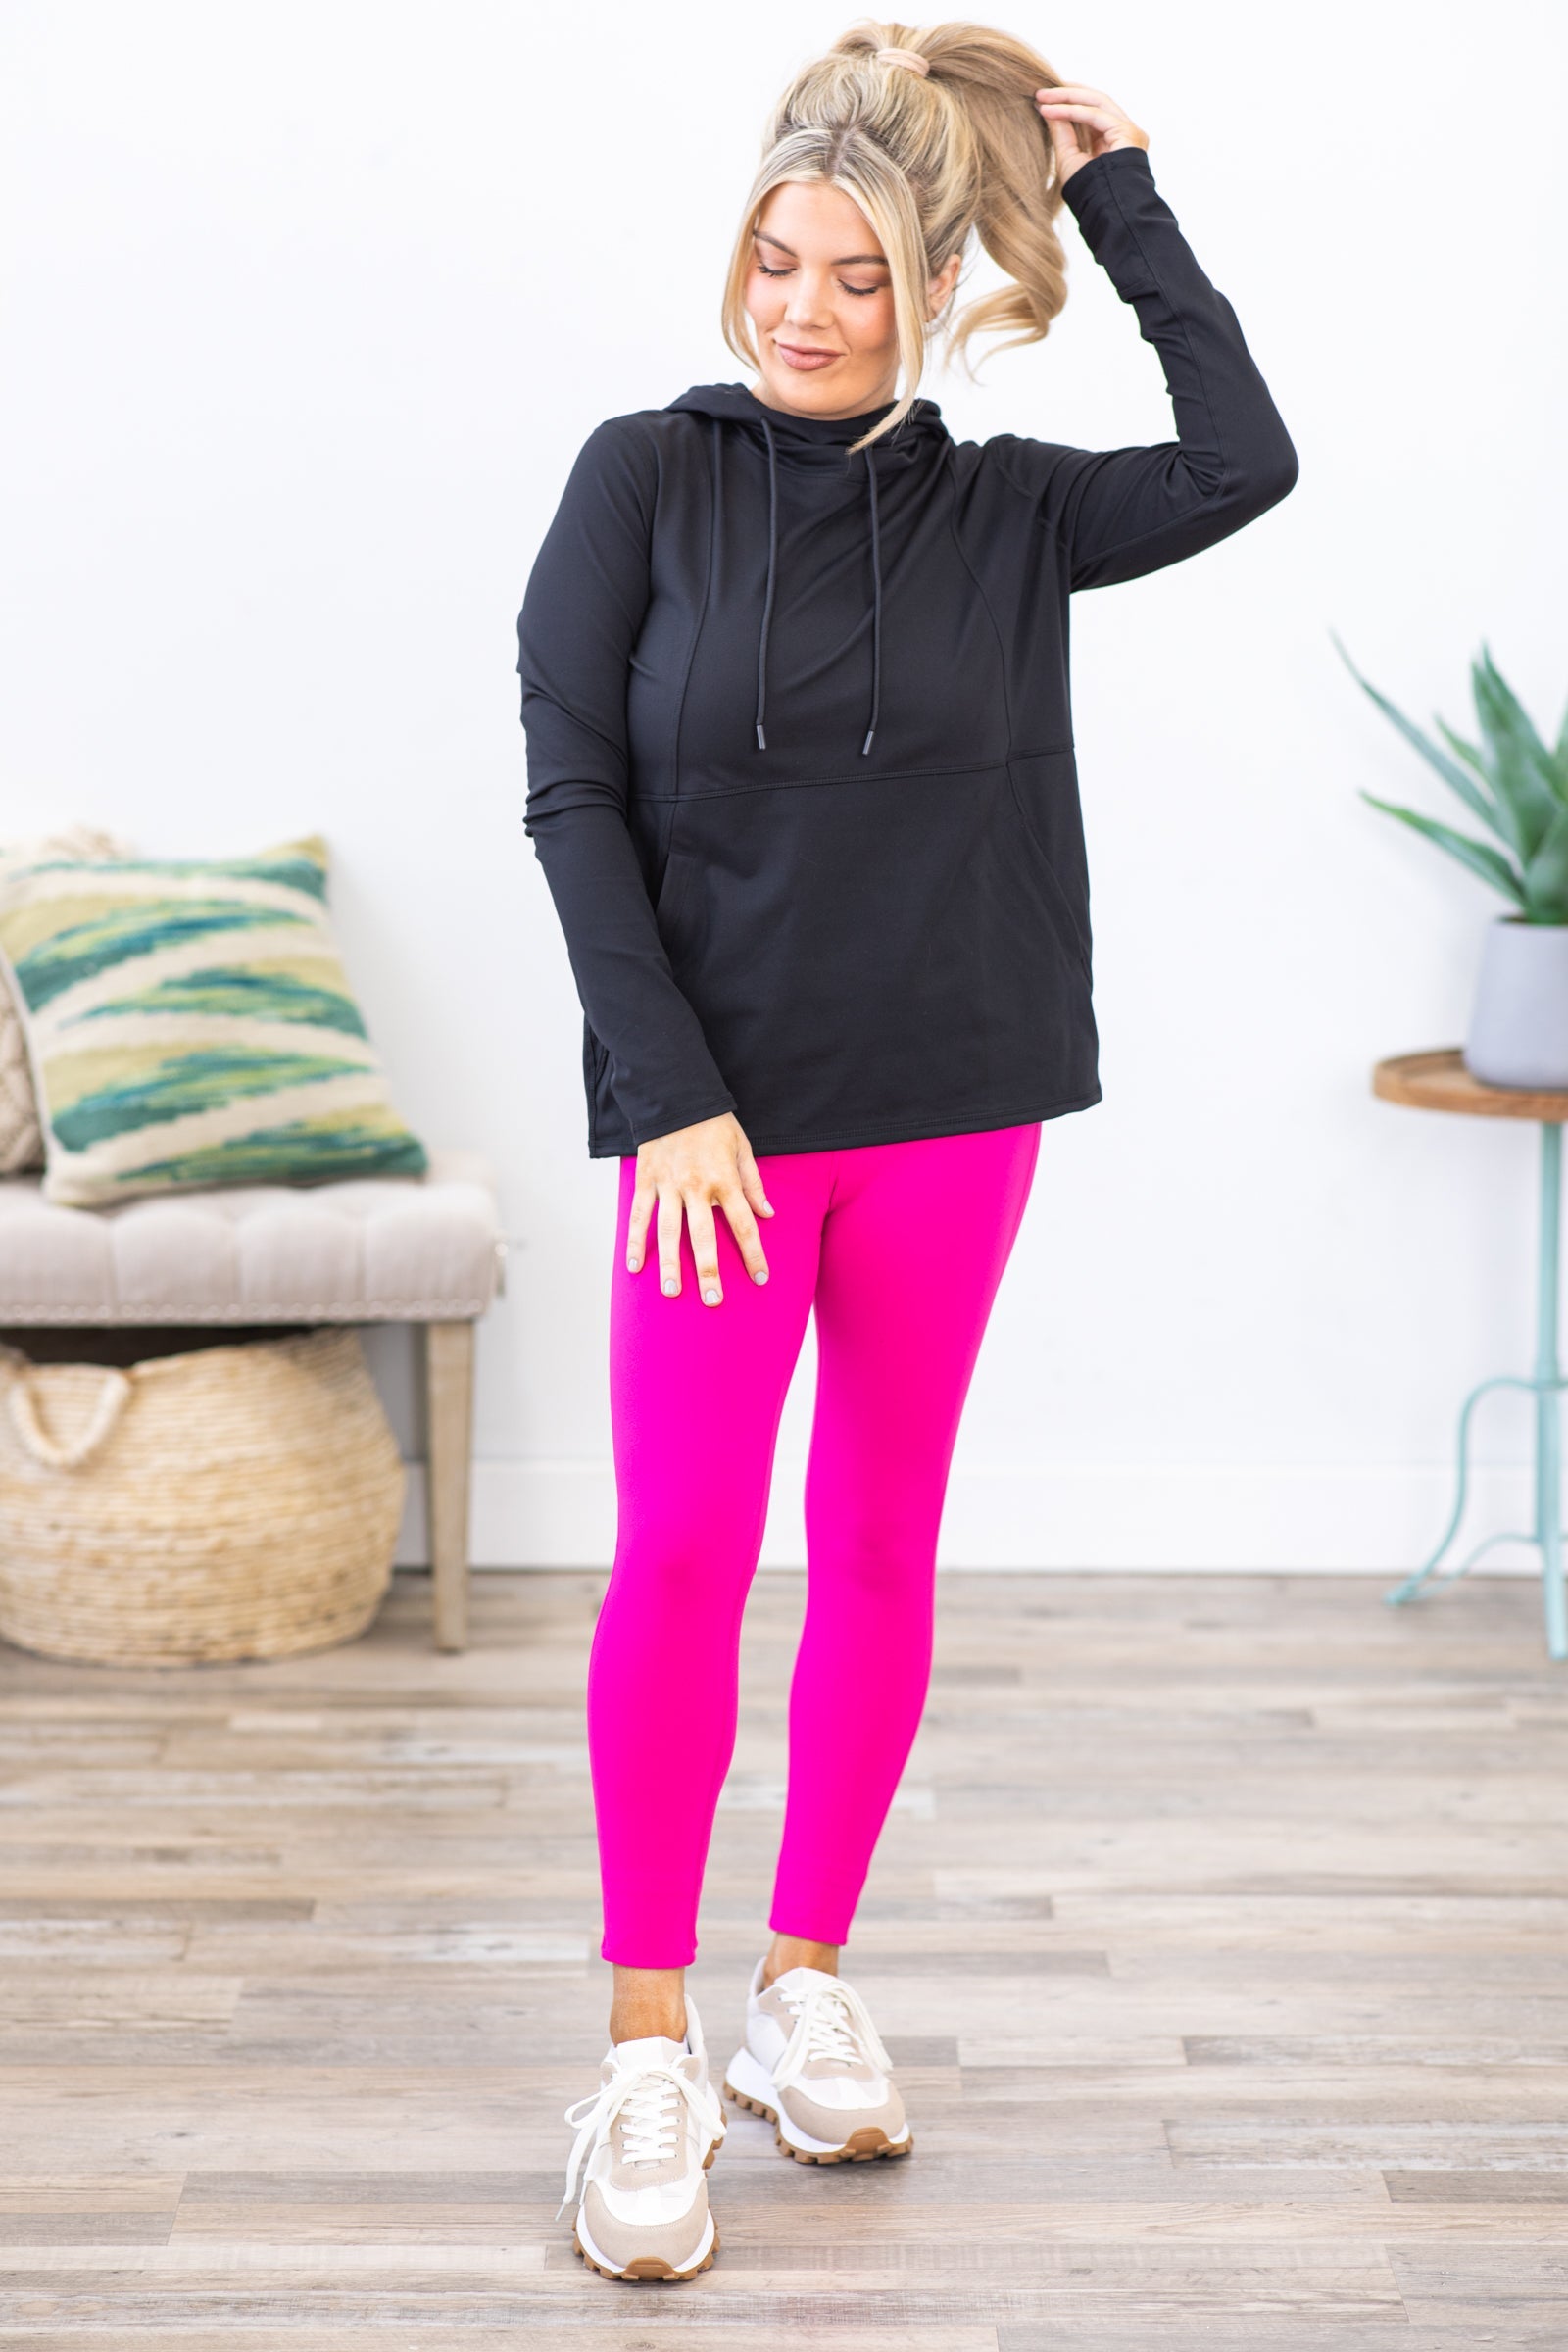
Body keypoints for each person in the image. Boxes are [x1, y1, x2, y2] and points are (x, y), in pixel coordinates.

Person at [515, 16, 1297, 2286]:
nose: (802, 306)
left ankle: (800, 1986)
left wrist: (1122, 198)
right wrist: (670, 1092)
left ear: (933, 286)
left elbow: (1242, 459)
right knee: (681, 1553)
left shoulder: (1011, 512)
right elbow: (570, 791)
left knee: (873, 1542)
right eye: (775, 259)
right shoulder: (638, 479)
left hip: (954, 1107)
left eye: (855, 273)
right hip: (715, 1138)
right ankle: (643, 2049)